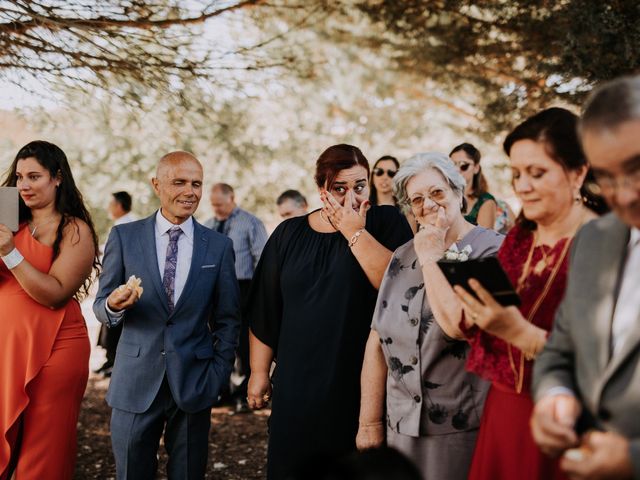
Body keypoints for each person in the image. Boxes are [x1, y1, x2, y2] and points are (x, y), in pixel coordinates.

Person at [451, 108, 607, 480]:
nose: (522, 186)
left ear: (578, 172)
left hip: (567, 423)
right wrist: (477, 309)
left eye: (537, 173)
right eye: (517, 174)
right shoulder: (521, 234)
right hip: (504, 409)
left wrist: (519, 333)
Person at [246, 144, 413, 479]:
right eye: (340, 188)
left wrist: (354, 230)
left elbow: (395, 286)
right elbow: (265, 306)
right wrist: (259, 372)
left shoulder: (386, 222)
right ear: (321, 188)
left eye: (359, 186)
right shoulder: (288, 234)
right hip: (296, 382)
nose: (351, 196)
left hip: (358, 380)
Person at [93, 151, 240, 479]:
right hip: (134, 380)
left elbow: (229, 319)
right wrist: (114, 306)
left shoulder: (218, 246)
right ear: (157, 185)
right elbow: (101, 305)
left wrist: (217, 374)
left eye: (196, 184)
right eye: (180, 182)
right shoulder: (124, 237)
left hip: (194, 382)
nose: (190, 191)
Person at [356, 152, 503, 479]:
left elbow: (461, 327)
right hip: (400, 429)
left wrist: (432, 256)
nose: (429, 204)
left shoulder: (491, 250)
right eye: (417, 199)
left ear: (458, 192)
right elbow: (377, 339)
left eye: (437, 192)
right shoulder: (402, 255)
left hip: (462, 428)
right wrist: (369, 422)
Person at [531, 76, 640, 480]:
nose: (624, 195)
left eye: (637, 168)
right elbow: (560, 350)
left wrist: (633, 459)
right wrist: (555, 398)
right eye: (608, 177)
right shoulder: (593, 239)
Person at [0, 140, 100, 479]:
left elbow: (55, 294)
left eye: (34, 176)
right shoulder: (8, 216)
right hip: (7, 348)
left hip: (57, 348)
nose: (23, 185)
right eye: (19, 177)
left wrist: (10, 251)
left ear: (57, 178)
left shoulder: (75, 230)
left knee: (44, 450)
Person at [204, 183, 268, 412]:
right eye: (213, 205)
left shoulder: (251, 223)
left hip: (244, 288)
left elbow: (262, 258)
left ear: (232, 198)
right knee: (216, 340)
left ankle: (244, 393)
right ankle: (222, 390)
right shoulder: (209, 225)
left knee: (242, 342)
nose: (217, 209)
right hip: (214, 291)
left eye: (220, 204)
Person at [95, 191, 137, 377]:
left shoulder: (126, 225)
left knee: (116, 323)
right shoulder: (127, 222)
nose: (109, 208)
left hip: (122, 280)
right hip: (118, 278)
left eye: (111, 204)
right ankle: (109, 359)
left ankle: (114, 361)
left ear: (119, 206)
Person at [449, 143, 500, 229]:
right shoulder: (441, 196)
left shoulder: (486, 201)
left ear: (476, 168)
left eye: (463, 165)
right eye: (452, 165)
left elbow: (483, 240)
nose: (456, 170)